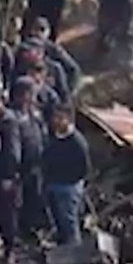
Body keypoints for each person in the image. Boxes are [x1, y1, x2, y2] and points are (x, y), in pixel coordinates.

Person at [42, 104, 90, 246]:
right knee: (58, 222)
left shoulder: (77, 142)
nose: (56, 120)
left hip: (69, 187)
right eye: (55, 117)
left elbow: (85, 168)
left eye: (60, 118)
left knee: (69, 222)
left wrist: (72, 181)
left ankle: (74, 254)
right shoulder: (53, 137)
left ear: (69, 119)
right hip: (53, 184)